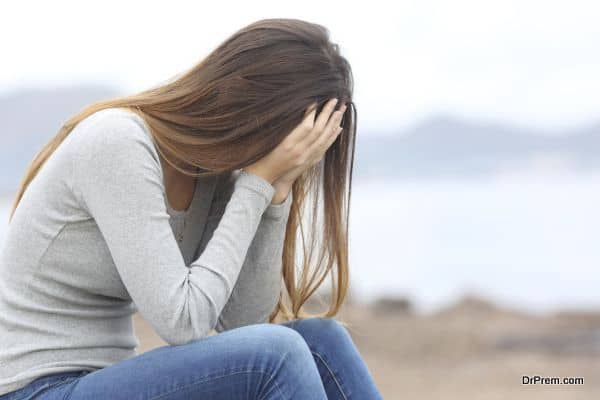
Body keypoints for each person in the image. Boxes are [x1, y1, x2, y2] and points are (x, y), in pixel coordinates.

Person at [0, 18, 383, 399]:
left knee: (322, 341)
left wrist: (277, 190)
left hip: (102, 379)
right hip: (35, 389)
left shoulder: (212, 171)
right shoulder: (118, 143)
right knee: (277, 355)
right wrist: (257, 184)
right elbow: (183, 322)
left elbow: (243, 322)